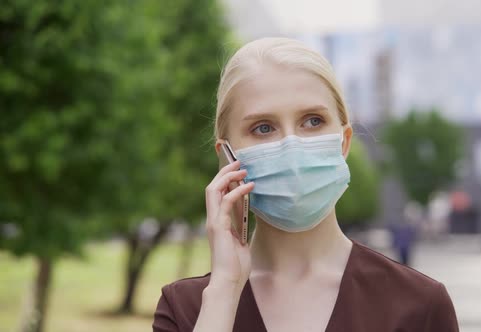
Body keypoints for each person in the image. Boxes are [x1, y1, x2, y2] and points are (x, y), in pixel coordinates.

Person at [152, 37, 459, 332]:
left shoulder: (419, 305)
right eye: (263, 128)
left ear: (343, 142)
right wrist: (224, 290)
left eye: (312, 121)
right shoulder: (185, 310)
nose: (292, 146)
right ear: (227, 159)